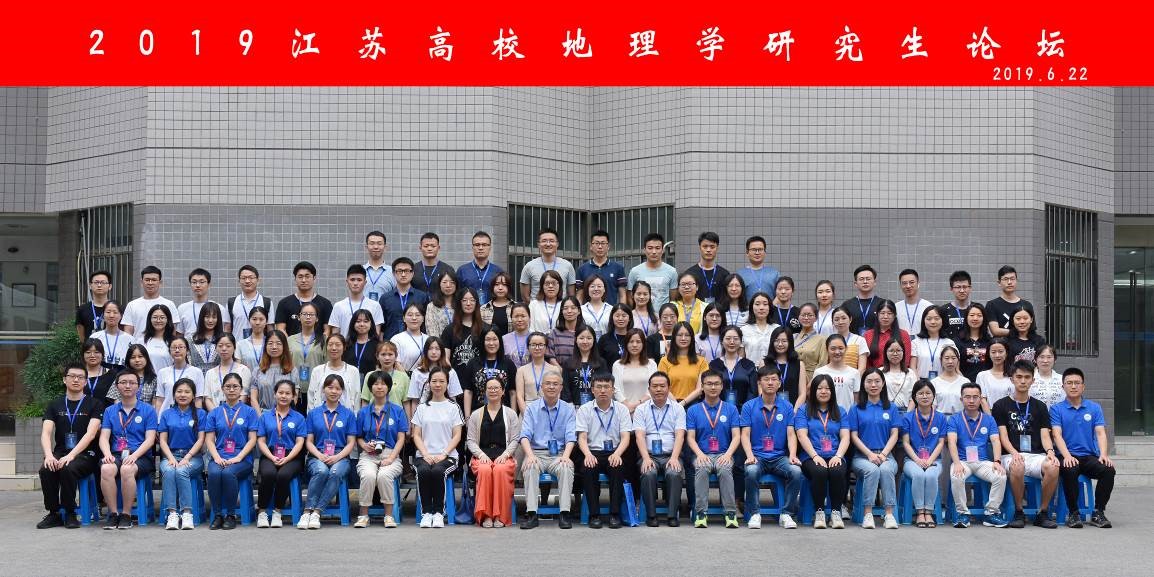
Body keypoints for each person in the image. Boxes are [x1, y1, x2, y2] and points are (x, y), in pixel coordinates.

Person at [993, 360, 1061, 529]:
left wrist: (1050, 451)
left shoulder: (1040, 406)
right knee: (1017, 466)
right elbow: (1003, 436)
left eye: (1027, 377)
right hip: (1010, 455)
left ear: (1033, 380)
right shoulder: (1000, 405)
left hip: (1036, 455)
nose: (1023, 381)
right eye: (1019, 377)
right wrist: (1014, 453)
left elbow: (1045, 435)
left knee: (1053, 467)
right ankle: (1019, 511)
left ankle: (1042, 512)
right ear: (1012, 379)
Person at [37, 363, 103, 530]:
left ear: (85, 382)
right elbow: (46, 433)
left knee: (68, 468)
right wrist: (49, 455)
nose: (76, 380)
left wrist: (72, 455)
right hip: (61, 451)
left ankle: (70, 512)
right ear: (64, 379)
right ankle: (54, 513)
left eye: (80, 377)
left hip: (86, 454)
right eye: (72, 376)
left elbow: (91, 434)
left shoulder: (94, 404)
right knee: (46, 469)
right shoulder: (55, 404)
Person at [1050, 367, 1116, 529]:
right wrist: (1067, 456)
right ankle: (1074, 513)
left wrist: (1103, 454)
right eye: (1069, 383)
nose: (1073, 386)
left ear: (1083, 386)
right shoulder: (1056, 409)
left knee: (1108, 470)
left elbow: (1100, 433)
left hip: (1088, 456)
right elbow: (1057, 435)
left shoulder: (1094, 408)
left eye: (1077, 383)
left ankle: (1098, 512)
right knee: (1070, 469)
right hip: (1066, 455)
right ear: (1063, 386)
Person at [740, 366, 803, 529]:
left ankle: (787, 513)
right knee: (751, 471)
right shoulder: (749, 406)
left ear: (779, 383)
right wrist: (749, 455)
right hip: (757, 456)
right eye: (766, 379)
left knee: (796, 472)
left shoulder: (787, 407)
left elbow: (791, 434)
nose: (770, 382)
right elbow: (745, 434)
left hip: (779, 457)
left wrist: (793, 455)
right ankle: (755, 513)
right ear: (759, 382)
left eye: (774, 379)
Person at [98, 371, 158, 530]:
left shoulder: (148, 410)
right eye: (123, 382)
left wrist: (135, 455)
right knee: (106, 468)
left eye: (132, 382)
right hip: (116, 454)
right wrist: (107, 454)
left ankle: (126, 514)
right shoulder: (110, 411)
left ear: (138, 387)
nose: (127, 386)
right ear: (117, 386)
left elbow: (150, 439)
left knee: (127, 469)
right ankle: (113, 514)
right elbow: (104, 437)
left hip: (141, 456)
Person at [518, 369, 576, 529]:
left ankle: (564, 513)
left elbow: (571, 437)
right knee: (530, 467)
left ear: (561, 387)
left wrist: (566, 456)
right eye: (548, 383)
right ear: (541, 387)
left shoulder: (568, 409)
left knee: (566, 468)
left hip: (559, 454)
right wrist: (530, 456)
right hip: (536, 453)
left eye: (555, 384)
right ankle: (532, 513)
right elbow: (524, 436)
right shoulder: (531, 408)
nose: (551, 387)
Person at [299, 374, 358, 530]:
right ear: (323, 389)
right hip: (317, 455)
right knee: (321, 471)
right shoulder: (313, 413)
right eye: (330, 387)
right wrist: (319, 455)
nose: (333, 391)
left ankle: (316, 511)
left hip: (341, 456)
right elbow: (308, 441)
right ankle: (307, 511)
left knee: (335, 473)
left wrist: (337, 457)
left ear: (342, 391)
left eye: (337, 388)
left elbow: (351, 443)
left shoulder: (348, 414)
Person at [947, 382, 1009, 528]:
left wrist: (997, 461)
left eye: (975, 397)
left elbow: (995, 441)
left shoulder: (989, 419)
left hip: (982, 462)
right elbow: (951, 442)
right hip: (962, 461)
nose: (971, 400)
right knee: (956, 476)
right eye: (967, 397)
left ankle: (991, 513)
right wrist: (956, 463)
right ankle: (963, 514)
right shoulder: (955, 419)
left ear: (981, 399)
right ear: (961, 399)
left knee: (1000, 476)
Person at [577, 373, 633, 528]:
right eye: (599, 387)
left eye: (607, 387)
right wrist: (587, 454)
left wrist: (617, 454)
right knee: (588, 468)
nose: (603, 390)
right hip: (592, 451)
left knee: (618, 468)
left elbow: (626, 437)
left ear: (613, 390)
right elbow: (582, 437)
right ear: (592, 390)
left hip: (614, 451)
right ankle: (594, 515)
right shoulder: (584, 409)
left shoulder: (622, 409)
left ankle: (615, 514)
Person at [203, 372, 258, 529]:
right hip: (219, 456)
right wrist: (216, 457)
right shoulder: (215, 413)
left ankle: (230, 515)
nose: (232, 389)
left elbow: (252, 439)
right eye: (228, 386)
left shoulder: (250, 412)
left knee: (228, 473)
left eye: (235, 386)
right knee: (214, 473)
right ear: (222, 389)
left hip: (242, 458)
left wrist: (238, 457)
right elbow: (209, 439)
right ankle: (218, 514)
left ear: (241, 389)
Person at [686, 370, 741, 528]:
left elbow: (736, 436)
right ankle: (701, 513)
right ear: (702, 387)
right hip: (702, 453)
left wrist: (728, 455)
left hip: (724, 453)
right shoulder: (693, 410)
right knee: (702, 468)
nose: (713, 387)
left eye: (717, 384)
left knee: (725, 469)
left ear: (722, 386)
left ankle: (730, 513)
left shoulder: (731, 409)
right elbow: (690, 437)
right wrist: (699, 454)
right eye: (709, 384)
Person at [847, 368, 901, 529]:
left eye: (877, 381)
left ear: (883, 384)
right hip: (862, 457)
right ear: (863, 384)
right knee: (872, 470)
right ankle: (867, 514)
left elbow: (894, 434)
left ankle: (889, 514)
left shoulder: (891, 408)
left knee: (885, 469)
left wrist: (883, 454)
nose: (873, 385)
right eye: (869, 381)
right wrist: (870, 454)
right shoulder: (856, 409)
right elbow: (853, 436)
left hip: (886, 456)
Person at [412, 367, 465, 529]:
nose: (438, 384)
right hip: (424, 455)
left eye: (442, 381)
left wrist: (444, 454)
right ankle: (426, 514)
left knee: (437, 471)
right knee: (423, 471)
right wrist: (425, 454)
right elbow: (416, 435)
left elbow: (457, 435)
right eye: (434, 381)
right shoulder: (422, 407)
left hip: (448, 456)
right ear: (428, 383)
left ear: (447, 384)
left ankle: (439, 513)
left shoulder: (453, 407)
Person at [794, 374, 849, 529]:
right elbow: (801, 435)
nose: (823, 391)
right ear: (813, 391)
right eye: (819, 388)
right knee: (819, 471)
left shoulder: (840, 411)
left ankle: (836, 512)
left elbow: (845, 437)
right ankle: (819, 512)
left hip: (835, 454)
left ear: (832, 391)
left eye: (827, 388)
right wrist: (815, 455)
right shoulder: (804, 410)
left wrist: (838, 456)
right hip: (810, 456)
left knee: (838, 471)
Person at [354, 372, 408, 528]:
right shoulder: (363, 412)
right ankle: (363, 516)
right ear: (370, 388)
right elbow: (358, 437)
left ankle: (389, 516)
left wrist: (391, 458)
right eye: (376, 384)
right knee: (368, 475)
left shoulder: (397, 410)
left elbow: (401, 439)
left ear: (388, 387)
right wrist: (364, 445)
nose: (379, 387)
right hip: (368, 455)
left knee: (384, 476)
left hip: (391, 454)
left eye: (383, 384)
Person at [467, 376, 521, 528]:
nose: (493, 391)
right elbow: (470, 440)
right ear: (485, 391)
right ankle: (485, 516)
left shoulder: (510, 414)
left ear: (503, 391)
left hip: (504, 455)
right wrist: (481, 455)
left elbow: (515, 439)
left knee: (500, 470)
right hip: (482, 456)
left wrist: (505, 455)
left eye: (496, 388)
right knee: (484, 470)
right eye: (489, 388)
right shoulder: (476, 414)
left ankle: (500, 516)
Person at [634, 372, 686, 527]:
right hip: (649, 455)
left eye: (662, 386)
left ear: (669, 388)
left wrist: (675, 457)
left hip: (671, 454)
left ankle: (672, 515)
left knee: (674, 473)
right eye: (655, 386)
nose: (658, 389)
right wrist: (646, 458)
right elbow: (639, 436)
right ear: (649, 389)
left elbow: (680, 435)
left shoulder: (678, 408)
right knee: (648, 473)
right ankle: (651, 515)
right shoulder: (641, 409)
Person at [255, 380, 307, 529]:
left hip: (292, 456)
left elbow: (300, 442)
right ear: (275, 394)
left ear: (293, 396)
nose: (283, 396)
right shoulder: (265, 417)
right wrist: (272, 457)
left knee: (283, 475)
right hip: (270, 454)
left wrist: (287, 458)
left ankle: (278, 511)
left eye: (287, 393)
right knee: (268, 474)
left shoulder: (299, 418)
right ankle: (262, 511)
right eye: (280, 392)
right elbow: (261, 441)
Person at [157, 378, 206, 530]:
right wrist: (171, 458)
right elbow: (162, 440)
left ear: (193, 395)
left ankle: (186, 513)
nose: (182, 395)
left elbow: (201, 440)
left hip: (193, 457)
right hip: (170, 455)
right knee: (170, 470)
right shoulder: (167, 414)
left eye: (187, 392)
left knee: (182, 470)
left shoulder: (200, 414)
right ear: (174, 394)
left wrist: (187, 457)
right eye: (179, 391)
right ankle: (172, 513)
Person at [902, 379, 947, 528]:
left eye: (928, 393)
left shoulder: (940, 417)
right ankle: (920, 512)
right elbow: (906, 443)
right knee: (919, 474)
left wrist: (930, 460)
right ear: (914, 397)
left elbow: (940, 443)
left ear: (934, 396)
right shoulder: (908, 417)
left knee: (931, 475)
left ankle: (929, 511)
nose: (925, 396)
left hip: (934, 460)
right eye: (920, 393)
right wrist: (917, 460)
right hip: (911, 460)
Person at [463, 328, 517, 414]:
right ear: (482, 342)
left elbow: (512, 392)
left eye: (495, 339)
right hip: (478, 413)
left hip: (503, 413)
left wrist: (513, 415)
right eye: (488, 339)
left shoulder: (508, 363)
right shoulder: (473, 363)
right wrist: (467, 417)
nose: (491, 343)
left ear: (500, 341)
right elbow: (468, 391)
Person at [404, 337, 464, 413]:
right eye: (430, 349)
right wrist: (414, 419)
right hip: (424, 413)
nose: (433, 352)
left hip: (445, 413)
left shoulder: (450, 372)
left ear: (442, 351)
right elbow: (415, 400)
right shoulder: (417, 372)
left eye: (437, 349)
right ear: (425, 351)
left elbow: (453, 398)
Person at [275, 261, 334, 336]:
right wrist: (291, 342)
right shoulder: (284, 303)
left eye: (307, 276)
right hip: (291, 343)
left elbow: (327, 330)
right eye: (300, 277)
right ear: (295, 279)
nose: (303, 280)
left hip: (318, 343)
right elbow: (280, 329)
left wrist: (319, 343)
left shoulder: (325, 304)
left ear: (314, 278)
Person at [307, 334, 362, 411]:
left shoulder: (353, 371)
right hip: (320, 416)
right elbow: (311, 396)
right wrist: (312, 416)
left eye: (338, 345)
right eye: (330, 345)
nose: (334, 348)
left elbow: (356, 398)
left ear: (344, 347)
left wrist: (354, 417)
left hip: (346, 416)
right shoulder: (317, 371)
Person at [440, 288, 484, 385]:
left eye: (472, 300)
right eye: (464, 300)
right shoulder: (449, 330)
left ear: (477, 303)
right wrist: (452, 377)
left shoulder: (484, 329)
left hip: (478, 382)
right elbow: (445, 358)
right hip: (455, 382)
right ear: (459, 303)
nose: (468, 303)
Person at [519, 227, 576, 301]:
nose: (548, 244)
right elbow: (525, 296)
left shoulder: (567, 266)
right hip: (537, 307)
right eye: (544, 241)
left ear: (557, 244)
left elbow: (571, 295)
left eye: (552, 241)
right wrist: (534, 307)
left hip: (560, 307)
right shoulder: (529, 266)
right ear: (538, 244)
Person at [328, 265, 385, 339]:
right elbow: (335, 335)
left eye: (359, 280)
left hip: (367, 346)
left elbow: (376, 334)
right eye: (352, 280)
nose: (355, 283)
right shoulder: (338, 306)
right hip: (345, 345)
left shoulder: (375, 306)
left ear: (365, 282)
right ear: (347, 282)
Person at [380, 257, 431, 340]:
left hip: (416, 343)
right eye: (400, 271)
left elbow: (427, 324)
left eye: (407, 271)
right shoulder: (385, 298)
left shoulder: (422, 297)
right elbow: (382, 328)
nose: (403, 274)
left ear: (412, 273)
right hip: (391, 344)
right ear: (393, 273)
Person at [122, 266, 180, 337]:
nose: (150, 283)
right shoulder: (132, 305)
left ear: (160, 283)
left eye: (154, 280)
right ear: (141, 282)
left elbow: (172, 333)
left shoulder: (169, 304)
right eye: (147, 280)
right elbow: (128, 333)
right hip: (138, 344)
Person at [658, 322, 707, 406]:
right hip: (670, 404)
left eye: (687, 335)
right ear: (674, 337)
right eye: (680, 335)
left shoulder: (701, 361)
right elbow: (662, 386)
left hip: (694, 405)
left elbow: (699, 390)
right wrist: (676, 406)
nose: (683, 338)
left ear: (692, 338)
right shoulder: (664, 361)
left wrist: (682, 404)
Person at [710, 326, 758, 408]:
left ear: (741, 342)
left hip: (744, 411)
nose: (732, 342)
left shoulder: (749, 365)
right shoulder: (714, 365)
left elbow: (753, 392)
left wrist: (746, 410)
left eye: (735, 339)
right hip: (718, 410)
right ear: (722, 341)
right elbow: (710, 389)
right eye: (728, 338)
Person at [154, 337, 205, 415]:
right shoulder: (162, 372)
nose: (177, 350)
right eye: (174, 348)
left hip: (189, 417)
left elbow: (198, 400)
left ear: (187, 350)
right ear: (169, 351)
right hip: (166, 416)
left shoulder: (197, 372)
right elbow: (160, 400)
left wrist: (196, 418)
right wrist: (158, 418)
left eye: (181, 347)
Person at [576, 229, 627, 305]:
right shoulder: (582, 269)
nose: (600, 246)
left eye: (603, 243)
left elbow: (622, 295)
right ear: (591, 246)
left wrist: (621, 311)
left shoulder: (618, 268)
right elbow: (579, 296)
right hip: (588, 311)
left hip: (611, 311)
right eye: (596, 243)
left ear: (608, 246)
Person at [288, 301, 326, 403]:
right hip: (294, 389)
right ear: (299, 317)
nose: (308, 317)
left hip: (317, 389)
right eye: (304, 314)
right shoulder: (290, 340)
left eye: (311, 314)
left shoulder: (324, 340)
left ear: (317, 318)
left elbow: (327, 364)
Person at [812, 334, 861, 413]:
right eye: (833, 349)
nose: (837, 352)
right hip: (824, 417)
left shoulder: (854, 373)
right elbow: (814, 397)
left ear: (846, 349)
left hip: (847, 417)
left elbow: (856, 400)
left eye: (841, 348)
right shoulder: (819, 372)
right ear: (827, 350)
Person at [178, 268, 231, 340]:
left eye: (202, 282)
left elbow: (225, 331)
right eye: (194, 282)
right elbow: (179, 334)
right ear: (190, 284)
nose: (197, 285)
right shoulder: (182, 308)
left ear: (209, 284)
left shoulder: (219, 308)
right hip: (189, 346)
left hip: (213, 346)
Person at [612, 328, 657, 412]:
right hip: (623, 410)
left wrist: (636, 405)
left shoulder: (651, 364)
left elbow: (653, 388)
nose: (634, 345)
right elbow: (616, 389)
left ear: (643, 344)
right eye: (631, 341)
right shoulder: (617, 365)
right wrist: (627, 406)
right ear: (626, 344)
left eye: (638, 342)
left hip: (646, 410)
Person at [628, 233, 678, 308]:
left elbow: (673, 299)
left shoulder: (672, 271)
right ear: (644, 250)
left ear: (662, 250)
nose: (654, 252)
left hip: (663, 314)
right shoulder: (634, 271)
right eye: (650, 248)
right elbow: (630, 297)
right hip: (641, 314)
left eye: (657, 248)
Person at [203, 333, 251, 412]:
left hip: (238, 414)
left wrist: (231, 413)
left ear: (234, 348)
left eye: (228, 346)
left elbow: (244, 396)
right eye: (220, 346)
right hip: (215, 416)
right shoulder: (210, 373)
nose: (224, 349)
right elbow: (208, 398)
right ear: (215, 348)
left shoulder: (243, 370)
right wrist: (217, 415)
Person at [985, 265, 1035, 338]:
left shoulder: (1027, 305)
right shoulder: (992, 305)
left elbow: (1032, 329)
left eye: (1012, 279)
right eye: (1005, 279)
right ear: (999, 282)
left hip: (1023, 344)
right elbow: (995, 331)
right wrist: (1020, 331)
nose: (1009, 282)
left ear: (1016, 281)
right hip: (1002, 344)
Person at [457, 230, 504, 305]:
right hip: (469, 310)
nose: (481, 248)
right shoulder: (462, 270)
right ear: (472, 247)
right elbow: (457, 295)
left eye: (484, 245)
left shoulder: (498, 271)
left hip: (492, 311)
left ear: (490, 247)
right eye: (477, 245)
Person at [227, 265, 273, 342]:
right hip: (237, 346)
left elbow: (270, 328)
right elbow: (227, 328)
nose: (247, 281)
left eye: (251, 278)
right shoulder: (232, 302)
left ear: (258, 280)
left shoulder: (266, 302)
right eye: (244, 278)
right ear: (239, 281)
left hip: (260, 346)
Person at [251, 330, 294, 412]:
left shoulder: (292, 370)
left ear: (284, 346)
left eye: (278, 343)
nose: (274, 347)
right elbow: (253, 399)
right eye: (270, 343)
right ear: (265, 346)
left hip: (285, 414)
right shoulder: (257, 370)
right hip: (263, 414)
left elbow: (294, 397)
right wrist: (260, 416)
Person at [563, 325, 606, 406]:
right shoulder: (568, 363)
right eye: (581, 338)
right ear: (576, 340)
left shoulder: (601, 362)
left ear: (594, 340)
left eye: (589, 338)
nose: (585, 341)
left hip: (596, 406)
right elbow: (565, 388)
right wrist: (569, 406)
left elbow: (604, 386)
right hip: (574, 407)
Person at [682, 231, 729, 304]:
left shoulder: (724, 274)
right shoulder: (690, 274)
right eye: (705, 246)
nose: (708, 250)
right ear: (700, 248)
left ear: (717, 248)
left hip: (718, 311)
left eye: (712, 247)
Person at [361, 341, 412, 408]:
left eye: (390, 354)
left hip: (396, 414)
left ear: (396, 356)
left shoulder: (403, 377)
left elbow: (406, 403)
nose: (387, 358)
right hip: (374, 413)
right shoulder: (370, 375)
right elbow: (365, 400)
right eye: (383, 354)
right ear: (377, 356)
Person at [765, 326, 806, 408]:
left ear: (790, 342)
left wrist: (794, 411)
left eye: (784, 341)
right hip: (770, 410)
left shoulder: (799, 364)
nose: (780, 344)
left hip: (794, 409)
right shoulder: (765, 363)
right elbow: (762, 391)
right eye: (777, 341)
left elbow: (802, 393)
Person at [863, 299, 909, 369]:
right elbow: (866, 362)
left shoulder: (903, 335)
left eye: (889, 313)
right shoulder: (868, 335)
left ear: (894, 315)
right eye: (882, 313)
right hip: (875, 374)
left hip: (897, 373)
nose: (885, 316)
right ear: (877, 314)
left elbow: (906, 360)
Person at [515, 332, 554, 414]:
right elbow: (519, 396)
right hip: (527, 411)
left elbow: (556, 395)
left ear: (546, 347)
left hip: (549, 410)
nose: (537, 348)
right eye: (533, 345)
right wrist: (527, 415)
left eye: (541, 345)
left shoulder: (554, 370)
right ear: (528, 347)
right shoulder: (521, 370)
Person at [910, 307, 952, 379]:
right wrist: (918, 382)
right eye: (929, 319)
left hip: (943, 381)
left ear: (943, 320)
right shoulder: (916, 342)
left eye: (937, 319)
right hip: (921, 381)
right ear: (923, 321)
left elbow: (954, 368)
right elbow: (912, 367)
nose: (933, 322)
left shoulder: (949, 343)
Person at [840, 265, 883, 335]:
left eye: (868, 279)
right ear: (855, 283)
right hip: (852, 341)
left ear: (875, 282)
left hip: (877, 341)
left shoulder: (882, 304)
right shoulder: (847, 305)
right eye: (861, 279)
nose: (865, 282)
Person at [740, 292, 780, 367]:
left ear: (770, 307)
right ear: (751, 307)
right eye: (757, 304)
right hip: (751, 371)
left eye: (765, 304)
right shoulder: (743, 330)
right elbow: (741, 357)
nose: (761, 308)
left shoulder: (777, 329)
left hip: (773, 371)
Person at [956, 303, 992, 382]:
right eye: (972, 315)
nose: (975, 318)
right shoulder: (957, 341)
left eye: (979, 315)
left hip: (986, 384)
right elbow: (955, 368)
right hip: (964, 384)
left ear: (984, 318)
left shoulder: (990, 341)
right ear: (966, 318)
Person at [90, 300, 131, 369]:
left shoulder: (129, 339)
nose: (111, 315)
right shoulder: (95, 337)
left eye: (115, 312)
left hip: (123, 375)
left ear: (121, 316)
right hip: (100, 374)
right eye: (108, 312)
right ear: (103, 315)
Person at [793, 303, 827, 386]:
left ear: (816, 318)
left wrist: (811, 384)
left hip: (812, 380)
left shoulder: (822, 339)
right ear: (798, 317)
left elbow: (822, 364)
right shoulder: (792, 337)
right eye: (803, 315)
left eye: (810, 315)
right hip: (793, 378)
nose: (806, 318)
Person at [737, 236, 779, 303]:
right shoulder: (740, 274)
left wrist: (771, 307)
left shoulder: (774, 273)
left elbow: (780, 294)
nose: (757, 253)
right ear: (747, 253)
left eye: (760, 249)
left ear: (765, 252)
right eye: (754, 250)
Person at [389, 303, 428, 372]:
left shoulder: (428, 339)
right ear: (404, 318)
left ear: (423, 318)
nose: (414, 318)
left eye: (418, 315)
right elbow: (396, 363)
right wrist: (406, 377)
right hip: (404, 376)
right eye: (410, 315)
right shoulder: (396, 339)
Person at [187, 301, 225, 372]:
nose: (210, 320)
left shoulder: (223, 339)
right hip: (195, 376)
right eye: (207, 317)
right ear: (202, 318)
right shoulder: (191, 340)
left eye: (214, 317)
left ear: (218, 319)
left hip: (218, 376)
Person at [547, 296, 585, 367]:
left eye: (573, 308)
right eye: (565, 308)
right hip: (558, 371)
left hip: (580, 371)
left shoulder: (585, 333)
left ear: (579, 311)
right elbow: (551, 358)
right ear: (562, 311)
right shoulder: (554, 334)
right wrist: (562, 371)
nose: (569, 311)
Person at [830, 306, 869, 373]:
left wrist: (854, 378)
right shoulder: (829, 340)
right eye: (836, 319)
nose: (840, 322)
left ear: (850, 319)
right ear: (832, 322)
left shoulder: (860, 340)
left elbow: (862, 368)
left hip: (853, 378)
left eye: (844, 318)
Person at [880, 339, 916, 411]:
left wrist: (907, 414)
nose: (895, 354)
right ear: (885, 353)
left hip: (905, 412)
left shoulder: (910, 373)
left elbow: (914, 397)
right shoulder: (880, 372)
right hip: (885, 411)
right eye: (891, 351)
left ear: (903, 352)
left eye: (898, 350)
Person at [343, 309, 381, 378]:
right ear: (353, 324)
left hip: (370, 382)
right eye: (358, 321)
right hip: (349, 381)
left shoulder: (378, 345)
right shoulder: (346, 344)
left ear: (371, 324)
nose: (362, 324)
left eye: (366, 321)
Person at [931, 344, 967, 416]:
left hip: (960, 419)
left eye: (953, 358)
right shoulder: (934, 382)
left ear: (958, 360)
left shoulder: (965, 382)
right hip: (940, 419)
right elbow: (932, 406)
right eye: (946, 358)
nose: (950, 361)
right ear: (941, 360)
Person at [896, 269, 934, 336]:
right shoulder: (895, 307)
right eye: (904, 283)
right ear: (900, 286)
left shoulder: (929, 307)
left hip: (923, 341)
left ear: (918, 283)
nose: (908, 286)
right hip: (901, 342)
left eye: (911, 282)